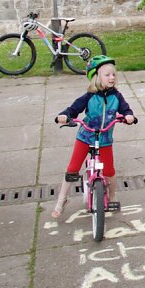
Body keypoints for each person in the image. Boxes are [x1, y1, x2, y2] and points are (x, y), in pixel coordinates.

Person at [50, 55, 136, 219]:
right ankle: (62, 199)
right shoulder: (89, 96)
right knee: (73, 168)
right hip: (86, 136)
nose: (112, 78)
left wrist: (129, 116)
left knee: (109, 171)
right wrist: (64, 115)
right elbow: (73, 109)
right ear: (96, 77)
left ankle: (112, 197)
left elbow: (126, 109)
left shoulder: (116, 96)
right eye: (107, 75)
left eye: (113, 75)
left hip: (104, 139)